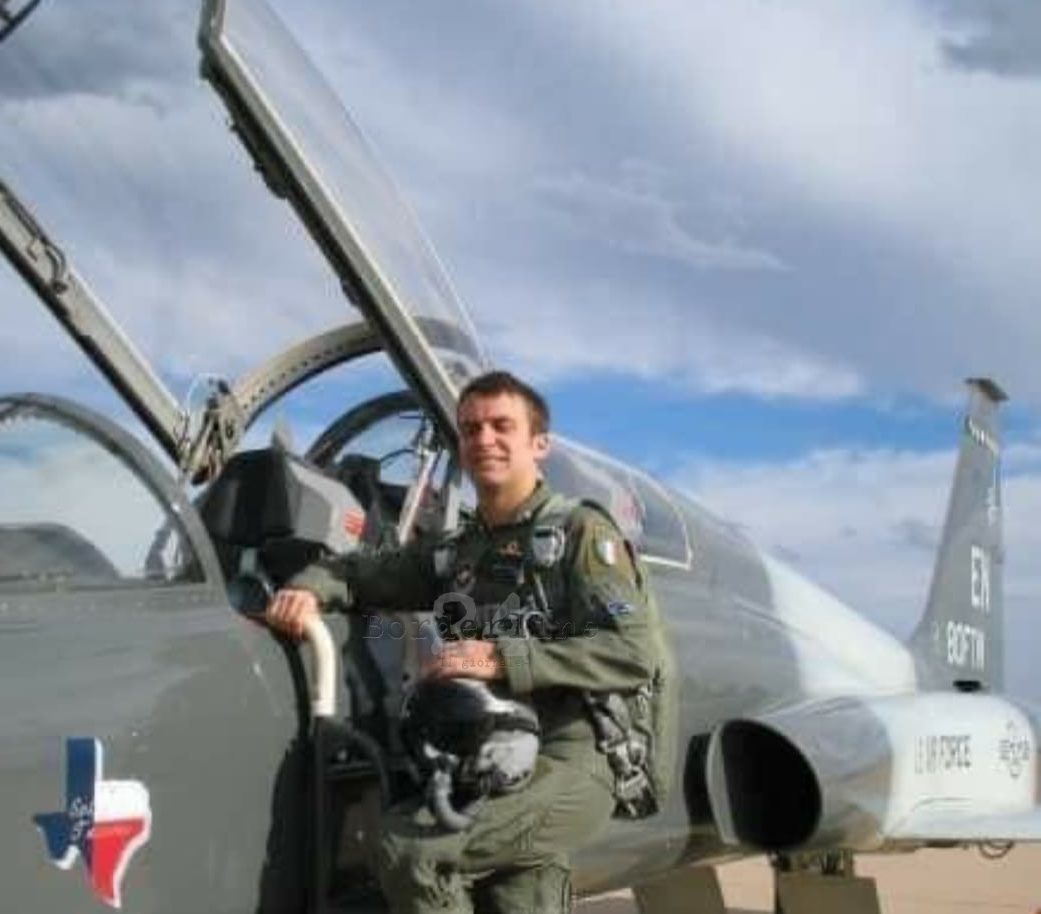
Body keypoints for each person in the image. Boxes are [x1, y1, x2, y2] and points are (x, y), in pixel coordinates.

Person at [266, 370, 670, 914]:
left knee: (411, 849)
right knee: (517, 898)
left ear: (539, 444)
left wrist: (502, 658)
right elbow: (363, 573)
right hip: (491, 750)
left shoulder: (581, 535)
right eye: (471, 428)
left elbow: (633, 652)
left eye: (502, 426)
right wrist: (308, 589)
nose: (484, 439)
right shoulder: (459, 552)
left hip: (577, 750)